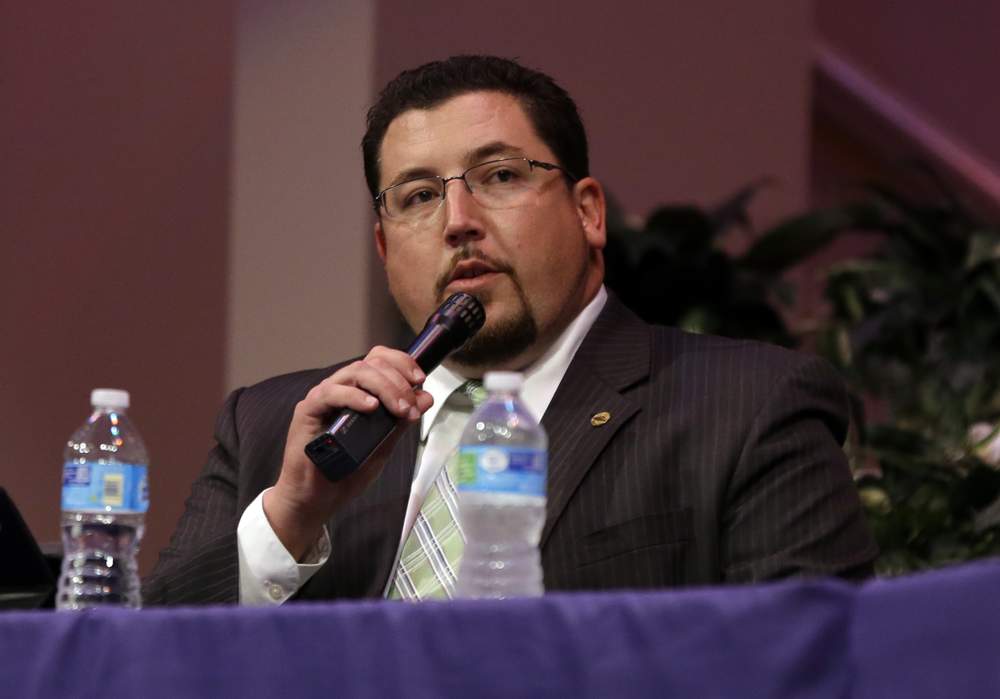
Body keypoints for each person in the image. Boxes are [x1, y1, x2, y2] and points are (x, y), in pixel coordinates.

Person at [143, 55, 877, 605]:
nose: (458, 221)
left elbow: (809, 663)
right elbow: (136, 669)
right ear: (384, 247)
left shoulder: (749, 406)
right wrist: (288, 522)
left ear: (589, 212)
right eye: (420, 195)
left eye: (499, 177)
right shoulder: (280, 429)